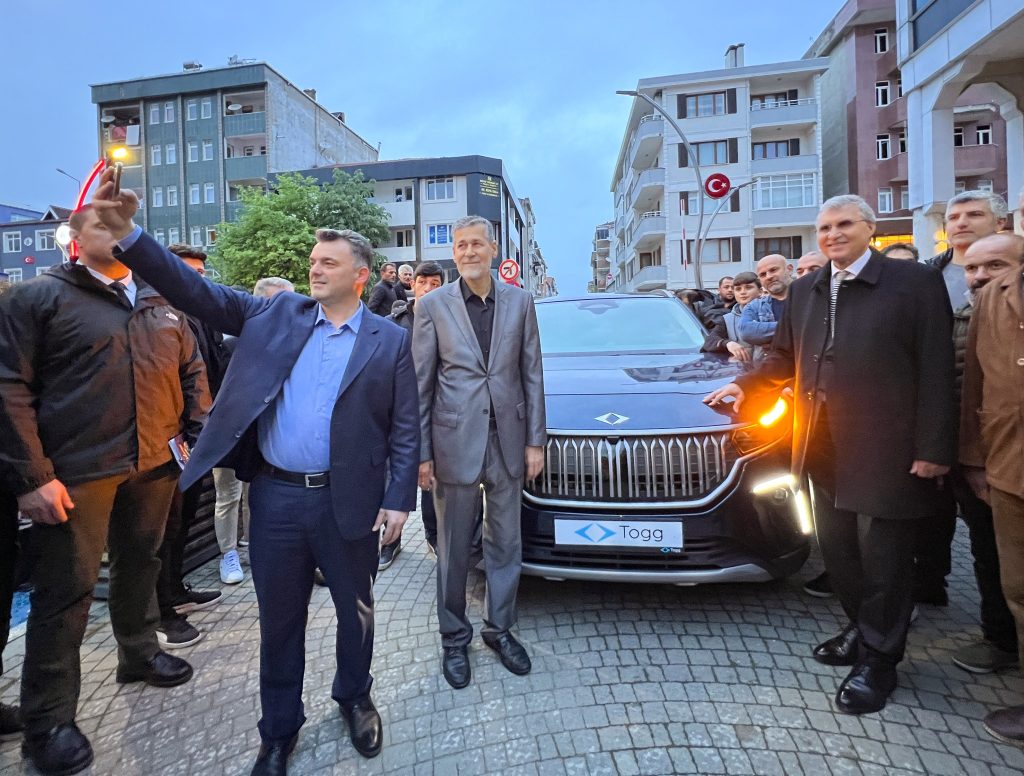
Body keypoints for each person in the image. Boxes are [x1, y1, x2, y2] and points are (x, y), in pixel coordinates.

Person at [90, 167, 418, 773]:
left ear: (360, 274)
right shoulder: (277, 314)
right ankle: (278, 729)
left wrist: (399, 499)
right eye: (313, 260)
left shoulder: (388, 340)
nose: (315, 269)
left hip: (349, 500)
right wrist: (130, 236)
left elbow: (404, 423)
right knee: (280, 622)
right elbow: (197, 292)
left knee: (356, 613)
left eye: (328, 262)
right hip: (276, 501)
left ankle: (355, 696)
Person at [704, 194, 954, 715]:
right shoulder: (807, 288)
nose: (833, 234)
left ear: (869, 228)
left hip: (886, 444)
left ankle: (880, 662)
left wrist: (934, 447)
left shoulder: (913, 282)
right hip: (821, 442)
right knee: (840, 551)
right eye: (824, 228)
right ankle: (861, 630)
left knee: (885, 557)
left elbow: (936, 367)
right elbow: (783, 356)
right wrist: (744, 386)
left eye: (844, 224)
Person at [0, 204, 207, 775]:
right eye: (100, 224)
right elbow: (8, 389)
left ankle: (138, 653)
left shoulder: (160, 300)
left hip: (155, 462)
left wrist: (196, 436)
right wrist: (33, 477)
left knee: (142, 562)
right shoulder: (37, 298)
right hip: (76, 471)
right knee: (66, 590)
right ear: (74, 237)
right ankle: (48, 722)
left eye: (123, 225)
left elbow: (191, 371)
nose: (115, 233)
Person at [413, 215, 546, 690]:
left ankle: (500, 629)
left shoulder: (521, 301)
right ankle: (454, 638)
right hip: (453, 442)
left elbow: (532, 374)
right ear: (454, 253)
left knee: (506, 544)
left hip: (508, 441)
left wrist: (535, 441)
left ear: (493, 249)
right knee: (452, 549)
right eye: (460, 246)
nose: (468, 252)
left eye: (476, 244)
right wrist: (421, 453)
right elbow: (420, 383)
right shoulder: (432, 306)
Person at [913, 191, 1008, 605]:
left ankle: (998, 623)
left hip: (991, 422)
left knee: (989, 528)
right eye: (954, 216)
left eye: (974, 214)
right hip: (935, 415)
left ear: (1000, 223)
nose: (962, 222)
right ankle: (929, 587)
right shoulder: (924, 276)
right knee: (928, 516)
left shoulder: (1015, 274)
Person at [960, 232, 1024, 743]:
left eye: (995, 264)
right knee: (1018, 588)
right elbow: (975, 389)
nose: (980, 277)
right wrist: (975, 460)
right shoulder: (991, 301)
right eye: (972, 267)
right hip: (1010, 467)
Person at [155, 244, 226, 649]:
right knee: (162, 530)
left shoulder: (201, 315)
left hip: (197, 438)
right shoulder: (153, 315)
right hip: (165, 440)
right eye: (188, 272)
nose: (197, 280)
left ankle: (175, 590)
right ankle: (159, 611)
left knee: (182, 522)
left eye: (201, 273)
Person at [213, 276, 295, 585]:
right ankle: (228, 553)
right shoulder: (231, 345)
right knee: (228, 494)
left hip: (268, 436)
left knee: (257, 496)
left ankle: (253, 546)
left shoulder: (290, 344)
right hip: (231, 437)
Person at [379, 261, 445, 569]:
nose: (429, 289)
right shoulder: (394, 322)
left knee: (432, 477)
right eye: (423, 282)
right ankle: (390, 540)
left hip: (435, 412)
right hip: (397, 412)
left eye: (435, 284)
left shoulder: (450, 322)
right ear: (412, 285)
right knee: (394, 475)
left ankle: (434, 535)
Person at [738, 254, 794, 354]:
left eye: (773, 270)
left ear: (789, 269)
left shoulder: (808, 300)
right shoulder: (754, 306)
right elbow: (746, 332)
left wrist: (766, 333)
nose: (769, 277)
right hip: (767, 363)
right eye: (763, 274)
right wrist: (794, 328)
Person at [701, 271, 760, 362]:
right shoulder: (727, 319)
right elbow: (709, 341)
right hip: (742, 368)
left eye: (748, 287)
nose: (742, 292)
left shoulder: (772, 314)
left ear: (760, 291)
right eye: (738, 289)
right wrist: (727, 344)